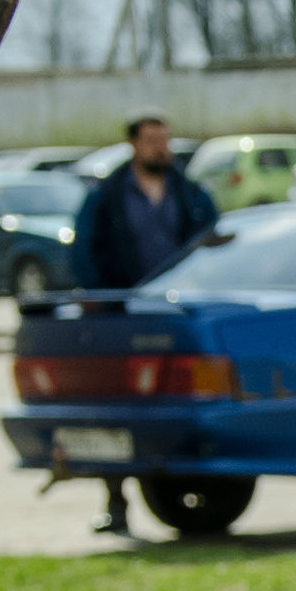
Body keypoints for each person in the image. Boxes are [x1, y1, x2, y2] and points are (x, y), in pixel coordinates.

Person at [74, 114, 217, 538]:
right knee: (116, 406)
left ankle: (192, 496)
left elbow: (213, 237)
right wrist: (99, 298)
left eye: (165, 139)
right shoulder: (108, 195)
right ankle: (116, 502)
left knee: (177, 403)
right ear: (133, 144)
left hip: (177, 313)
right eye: (152, 140)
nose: (161, 148)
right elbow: (84, 250)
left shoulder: (188, 192)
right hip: (123, 314)